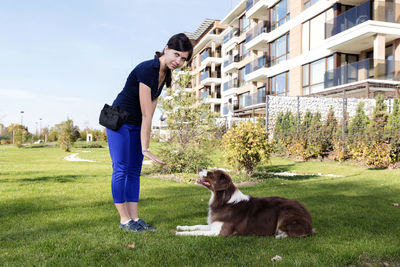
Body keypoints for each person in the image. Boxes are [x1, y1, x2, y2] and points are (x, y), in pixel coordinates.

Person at [106, 33, 193, 232]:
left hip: (136, 124)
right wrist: (145, 148)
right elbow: (146, 113)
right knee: (121, 168)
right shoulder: (147, 69)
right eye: (176, 54)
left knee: (135, 171)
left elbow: (150, 115)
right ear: (166, 49)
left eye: (183, 58)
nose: (178, 61)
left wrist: (145, 144)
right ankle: (124, 220)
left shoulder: (164, 76)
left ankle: (135, 218)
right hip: (119, 121)